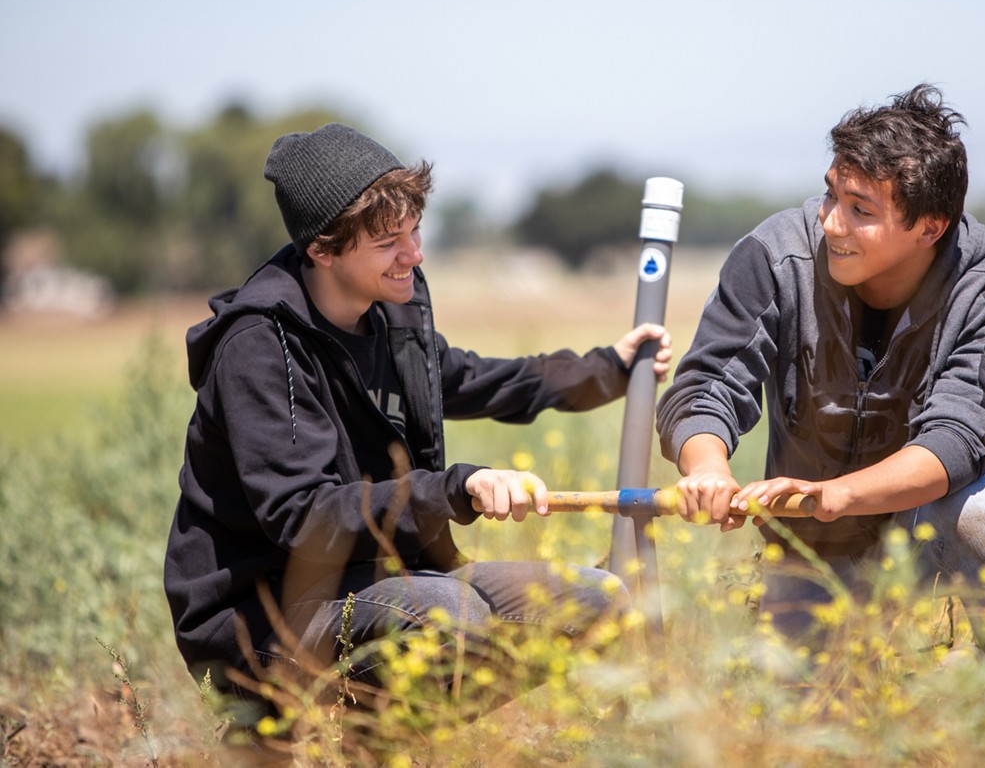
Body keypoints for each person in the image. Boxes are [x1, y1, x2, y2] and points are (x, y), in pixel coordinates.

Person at [164, 123, 672, 708]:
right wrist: (455, 489)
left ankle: (393, 744)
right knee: (451, 614)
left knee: (597, 599)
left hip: (389, 581)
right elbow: (304, 519)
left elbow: (469, 377)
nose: (415, 254)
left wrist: (606, 368)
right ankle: (302, 736)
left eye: (414, 231)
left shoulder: (390, 315)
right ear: (322, 249)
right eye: (388, 243)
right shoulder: (260, 347)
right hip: (261, 614)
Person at [656, 84, 985, 700]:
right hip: (810, 540)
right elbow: (708, 383)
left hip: (924, 524)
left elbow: (957, 440)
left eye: (861, 210)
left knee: (980, 508)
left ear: (930, 226)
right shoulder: (774, 256)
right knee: (804, 724)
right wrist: (708, 466)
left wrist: (836, 493)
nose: (832, 223)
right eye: (831, 194)